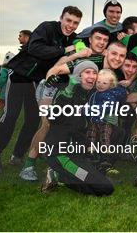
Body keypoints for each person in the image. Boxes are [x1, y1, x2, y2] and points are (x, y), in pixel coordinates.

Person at [0, 6, 82, 172]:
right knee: (10, 116)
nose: (71, 25)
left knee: (33, 120)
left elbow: (78, 47)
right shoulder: (47, 27)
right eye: (68, 20)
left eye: (75, 23)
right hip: (19, 76)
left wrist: (79, 46)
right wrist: (64, 50)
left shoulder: (72, 38)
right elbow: (34, 48)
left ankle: (17, 155)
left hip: (37, 81)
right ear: (61, 18)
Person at [41, 61, 114, 196]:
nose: (91, 76)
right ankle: (56, 173)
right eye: (87, 72)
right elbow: (52, 117)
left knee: (102, 184)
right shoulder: (65, 91)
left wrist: (87, 145)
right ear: (78, 75)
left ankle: (63, 177)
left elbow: (78, 128)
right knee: (104, 188)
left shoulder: (87, 95)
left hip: (76, 152)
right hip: (60, 154)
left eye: (94, 73)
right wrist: (68, 91)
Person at [85, 69, 127, 174]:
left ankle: (106, 155)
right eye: (98, 82)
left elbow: (106, 107)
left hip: (106, 121)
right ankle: (91, 152)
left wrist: (92, 111)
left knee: (105, 134)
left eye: (104, 83)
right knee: (91, 133)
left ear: (111, 85)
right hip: (94, 120)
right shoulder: (94, 93)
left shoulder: (109, 95)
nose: (100, 85)